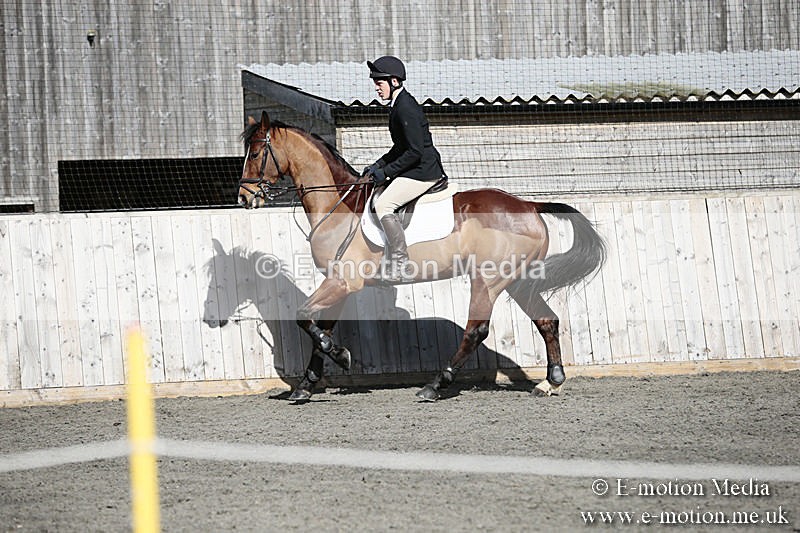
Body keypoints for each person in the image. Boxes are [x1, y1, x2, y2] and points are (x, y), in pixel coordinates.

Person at [363, 55, 447, 281]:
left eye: (379, 83)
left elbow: (414, 152)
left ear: (394, 82)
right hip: (414, 168)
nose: (376, 88)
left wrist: (386, 172)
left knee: (384, 205)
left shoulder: (405, 107)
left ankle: (400, 262)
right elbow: (400, 147)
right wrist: (378, 164)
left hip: (423, 172)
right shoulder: (398, 105)